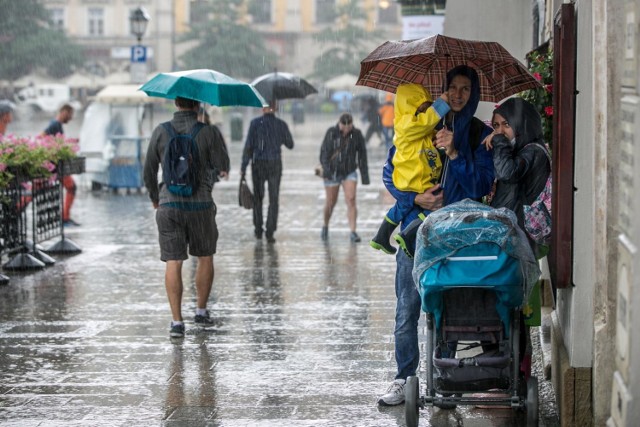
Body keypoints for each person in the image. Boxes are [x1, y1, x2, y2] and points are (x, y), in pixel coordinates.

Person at [377, 65, 495, 407]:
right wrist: (415, 198)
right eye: (453, 88)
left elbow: (481, 186)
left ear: (473, 94)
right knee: (407, 309)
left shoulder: (478, 134)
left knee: (448, 310)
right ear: (444, 90)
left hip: (454, 235)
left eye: (465, 89)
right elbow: (391, 172)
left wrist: (455, 155)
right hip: (414, 233)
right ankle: (404, 378)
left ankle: (445, 377)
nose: (458, 95)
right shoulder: (422, 122)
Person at [143, 96, 230, 339]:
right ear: (196, 105)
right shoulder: (208, 132)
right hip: (200, 205)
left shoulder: (161, 131)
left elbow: (148, 169)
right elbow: (222, 165)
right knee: (205, 257)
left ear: (176, 104)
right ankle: (201, 311)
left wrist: (155, 197)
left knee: (173, 261)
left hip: (169, 205)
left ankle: (177, 322)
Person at [485, 97, 551, 379]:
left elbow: (508, 173)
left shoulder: (533, 152)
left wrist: (498, 143)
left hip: (520, 241)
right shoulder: (523, 150)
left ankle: (517, 376)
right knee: (507, 306)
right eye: (496, 125)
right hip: (512, 238)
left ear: (521, 125)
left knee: (516, 309)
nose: (499, 131)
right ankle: (506, 372)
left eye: (505, 126)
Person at [370, 83, 450, 256]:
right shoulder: (407, 124)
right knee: (432, 208)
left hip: (414, 180)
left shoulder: (418, 132)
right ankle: (407, 235)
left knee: (401, 208)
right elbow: (425, 122)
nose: (426, 113)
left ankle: (382, 237)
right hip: (414, 180)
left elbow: (425, 139)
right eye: (421, 109)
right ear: (410, 108)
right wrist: (442, 104)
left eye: (428, 108)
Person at [240, 101, 294, 243]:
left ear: (262, 108)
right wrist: (281, 136)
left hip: (258, 163)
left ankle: (258, 230)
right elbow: (290, 144)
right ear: (275, 108)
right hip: (275, 163)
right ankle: (270, 231)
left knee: (258, 198)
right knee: (273, 198)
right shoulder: (281, 124)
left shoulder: (255, 123)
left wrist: (243, 167)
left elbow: (248, 146)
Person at [319, 112, 370, 243]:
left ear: (352, 124)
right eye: (344, 126)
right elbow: (324, 153)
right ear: (339, 123)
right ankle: (325, 225)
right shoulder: (331, 132)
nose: (346, 129)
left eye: (349, 126)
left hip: (349, 171)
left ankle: (353, 231)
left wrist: (365, 176)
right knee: (331, 202)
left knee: (351, 199)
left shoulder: (357, 134)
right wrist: (327, 170)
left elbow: (362, 155)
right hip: (332, 171)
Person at [42, 104, 77, 226]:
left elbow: (57, 142)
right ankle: (64, 218)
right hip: (54, 165)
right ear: (64, 112)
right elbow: (42, 137)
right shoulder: (55, 124)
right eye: (70, 114)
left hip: (55, 165)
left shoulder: (57, 125)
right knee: (71, 187)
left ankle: (65, 217)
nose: (71, 117)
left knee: (71, 187)